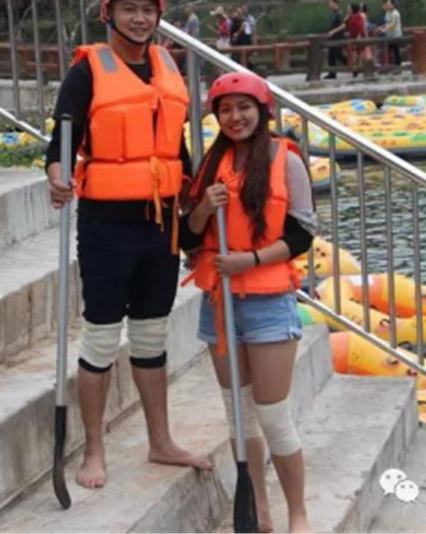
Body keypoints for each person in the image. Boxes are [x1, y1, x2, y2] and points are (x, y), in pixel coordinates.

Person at [45, 0, 212, 489]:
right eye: (128, 9)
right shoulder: (87, 71)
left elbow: (175, 146)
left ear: (158, 16)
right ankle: (94, 449)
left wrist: (193, 202)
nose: (139, 18)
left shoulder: (167, 65)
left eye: (147, 9)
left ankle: (160, 440)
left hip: (160, 225)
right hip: (106, 225)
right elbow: (60, 146)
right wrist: (57, 177)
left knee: (150, 334)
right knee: (100, 338)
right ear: (109, 14)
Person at [181, 72, 316, 533]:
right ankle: (258, 507)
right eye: (225, 109)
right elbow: (187, 238)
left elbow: (302, 233)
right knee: (237, 416)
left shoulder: (286, 159)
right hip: (219, 304)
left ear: (262, 111)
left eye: (244, 107)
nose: (235, 117)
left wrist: (251, 260)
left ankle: (298, 513)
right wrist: (204, 207)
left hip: (268, 302)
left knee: (273, 417)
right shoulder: (211, 164)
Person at [344, 2, 368, 77]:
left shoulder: (358, 16)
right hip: (352, 36)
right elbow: (345, 23)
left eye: (349, 8)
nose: (348, 10)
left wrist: (360, 35)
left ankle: (358, 68)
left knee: (358, 53)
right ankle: (355, 68)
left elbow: (360, 27)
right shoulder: (350, 16)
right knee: (353, 53)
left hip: (357, 36)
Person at [324, 0, 345, 79]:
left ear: (335, 4)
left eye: (330, 3)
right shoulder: (333, 14)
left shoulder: (339, 14)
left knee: (339, 55)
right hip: (332, 38)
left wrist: (333, 31)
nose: (329, 5)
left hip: (338, 38)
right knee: (331, 56)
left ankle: (354, 69)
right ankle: (332, 73)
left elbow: (343, 26)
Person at [379, 0, 403, 69]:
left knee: (396, 52)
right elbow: (387, 22)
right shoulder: (388, 13)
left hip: (395, 35)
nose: (388, 5)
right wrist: (381, 27)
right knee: (388, 51)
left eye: (389, 4)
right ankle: (390, 67)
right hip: (389, 36)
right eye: (387, 4)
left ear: (393, 5)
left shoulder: (395, 13)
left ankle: (398, 67)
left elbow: (393, 24)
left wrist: (385, 29)